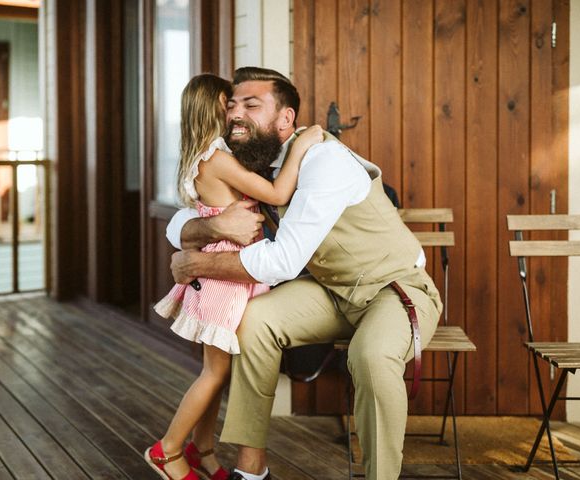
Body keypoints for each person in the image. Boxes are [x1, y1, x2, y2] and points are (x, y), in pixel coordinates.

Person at [166, 67, 443, 480]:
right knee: (253, 321)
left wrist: (196, 262)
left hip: (394, 288)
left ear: (285, 119)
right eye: (233, 105)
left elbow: (283, 261)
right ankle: (251, 469)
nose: (236, 115)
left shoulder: (323, 161)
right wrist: (207, 229)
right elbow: (183, 219)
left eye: (251, 105)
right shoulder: (252, 164)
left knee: (371, 356)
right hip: (333, 292)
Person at [144, 73, 323, 480]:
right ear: (215, 109)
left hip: (227, 273)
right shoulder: (218, 159)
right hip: (226, 276)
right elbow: (276, 194)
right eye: (230, 105)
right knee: (215, 371)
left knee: (219, 370)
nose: (237, 113)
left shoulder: (209, 156)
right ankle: (166, 451)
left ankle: (202, 451)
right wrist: (304, 146)